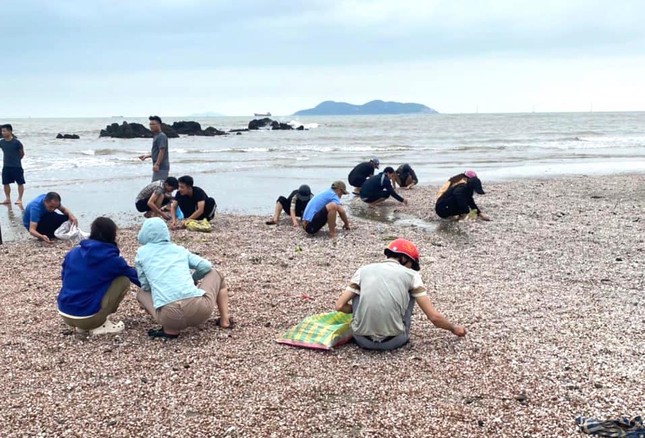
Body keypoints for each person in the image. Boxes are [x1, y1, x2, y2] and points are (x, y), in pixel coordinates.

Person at [335, 238, 466, 351]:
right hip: (395, 341)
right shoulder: (412, 275)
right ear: (404, 258)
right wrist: (454, 328)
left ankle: (367, 324)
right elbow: (434, 317)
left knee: (358, 291)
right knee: (412, 291)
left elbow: (340, 306)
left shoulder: (363, 270)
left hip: (361, 340)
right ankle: (392, 327)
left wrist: (360, 311)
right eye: (411, 264)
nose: (410, 268)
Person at [135, 218, 232, 339]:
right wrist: (193, 278)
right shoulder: (178, 250)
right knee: (215, 273)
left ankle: (170, 330)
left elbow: (145, 285)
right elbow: (206, 266)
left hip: (169, 317)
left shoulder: (141, 253)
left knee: (141, 292)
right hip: (199, 310)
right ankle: (225, 320)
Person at [57, 217, 141, 335]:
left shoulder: (73, 252)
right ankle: (99, 324)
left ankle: (83, 325)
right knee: (123, 279)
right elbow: (137, 278)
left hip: (64, 312)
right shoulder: (112, 259)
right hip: (87, 317)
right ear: (112, 235)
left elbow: (64, 277)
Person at [139, 115, 169, 181]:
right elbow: (157, 152)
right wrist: (146, 156)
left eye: (153, 124)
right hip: (158, 166)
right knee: (156, 187)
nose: (151, 126)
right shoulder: (156, 135)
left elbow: (162, 151)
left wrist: (157, 164)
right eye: (150, 124)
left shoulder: (161, 136)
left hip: (162, 167)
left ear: (159, 125)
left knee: (157, 187)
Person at [0, 124, 25, 205]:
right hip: (6, 166)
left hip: (16, 166)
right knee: (5, 183)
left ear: (10, 131)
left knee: (20, 182)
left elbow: (22, 154)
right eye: (2, 131)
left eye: (4, 131)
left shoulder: (16, 142)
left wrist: (16, 160)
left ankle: (19, 199)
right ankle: (7, 199)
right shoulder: (1, 142)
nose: (2, 133)